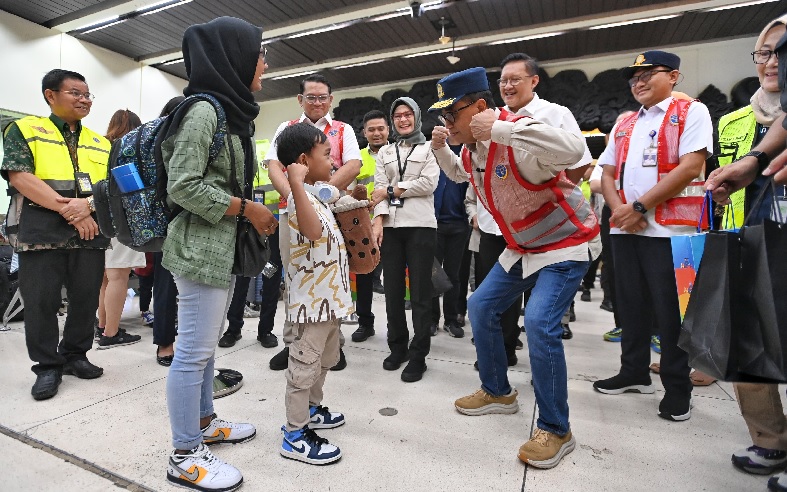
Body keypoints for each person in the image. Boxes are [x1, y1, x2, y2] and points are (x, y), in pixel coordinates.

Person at [430, 67, 597, 469]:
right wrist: (440, 149)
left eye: (452, 115)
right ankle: (498, 391)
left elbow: (574, 150)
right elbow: (462, 175)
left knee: (539, 323)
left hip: (566, 244)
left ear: (481, 108)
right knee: (481, 306)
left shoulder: (517, 131)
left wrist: (503, 126)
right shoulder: (473, 152)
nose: (448, 123)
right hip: (524, 248)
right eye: (444, 117)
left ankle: (557, 430)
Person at [162, 17, 277, 492]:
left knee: (204, 350)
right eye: (258, 54)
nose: (264, 64)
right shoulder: (202, 111)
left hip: (220, 250)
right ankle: (185, 453)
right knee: (190, 354)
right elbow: (183, 186)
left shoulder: (230, 112)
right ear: (233, 58)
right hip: (197, 251)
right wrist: (247, 207)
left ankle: (206, 422)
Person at [594, 50, 713, 423]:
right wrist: (620, 212)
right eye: (634, 78)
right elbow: (608, 172)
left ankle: (678, 390)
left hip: (671, 232)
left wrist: (640, 208)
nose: (639, 82)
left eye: (648, 74)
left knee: (671, 313)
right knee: (629, 305)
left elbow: (692, 165)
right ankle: (633, 372)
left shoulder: (691, 111)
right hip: (626, 228)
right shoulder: (626, 122)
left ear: (673, 76)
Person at [706, 15, 787, 492]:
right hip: (750, 231)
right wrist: (746, 166)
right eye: (765, 53)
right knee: (750, 337)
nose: (773, 61)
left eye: (782, 52)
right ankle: (770, 437)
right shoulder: (738, 117)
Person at [2, 68, 110, 401]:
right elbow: (20, 177)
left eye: (88, 94)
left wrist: (87, 207)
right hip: (40, 233)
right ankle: (48, 366)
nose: (84, 99)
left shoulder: (100, 142)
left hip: (89, 234)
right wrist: (70, 211)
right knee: (41, 303)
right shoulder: (24, 130)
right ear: (51, 95)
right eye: (75, 93)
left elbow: (109, 186)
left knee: (84, 300)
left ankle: (76, 355)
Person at [266, 74, 361, 372]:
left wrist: (321, 194)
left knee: (332, 275)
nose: (317, 102)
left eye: (322, 97)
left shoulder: (343, 130)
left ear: (331, 100)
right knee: (294, 275)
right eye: (311, 97)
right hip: (291, 214)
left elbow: (354, 165)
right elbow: (273, 166)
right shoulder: (287, 129)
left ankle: (334, 344)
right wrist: (299, 196)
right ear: (300, 100)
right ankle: (293, 343)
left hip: (333, 214)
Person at [275, 122, 352, 465]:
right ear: (305, 160)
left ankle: (311, 409)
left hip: (330, 303)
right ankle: (294, 433)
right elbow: (311, 229)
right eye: (326, 154)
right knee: (304, 366)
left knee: (324, 361)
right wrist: (293, 181)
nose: (333, 160)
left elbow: (337, 195)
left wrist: (363, 195)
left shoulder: (318, 192)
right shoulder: (297, 199)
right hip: (311, 306)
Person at [370, 97, 439, 383]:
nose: (403, 119)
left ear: (417, 116)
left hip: (421, 225)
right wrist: (379, 218)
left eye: (408, 114)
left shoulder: (430, 148)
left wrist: (392, 190)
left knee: (421, 293)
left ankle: (419, 353)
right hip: (392, 228)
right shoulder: (385, 151)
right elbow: (376, 190)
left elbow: (429, 183)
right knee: (393, 291)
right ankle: (397, 347)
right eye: (398, 115)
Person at [96, 109, 145, 349]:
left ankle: (103, 325)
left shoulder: (100, 147)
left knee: (106, 277)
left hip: (99, 219)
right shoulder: (126, 152)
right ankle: (111, 334)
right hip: (122, 221)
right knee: (119, 276)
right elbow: (132, 189)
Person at [351, 109, 389, 343]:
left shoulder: (398, 153)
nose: (376, 133)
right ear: (364, 132)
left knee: (393, 276)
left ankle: (397, 325)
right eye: (371, 129)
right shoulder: (357, 159)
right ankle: (365, 322)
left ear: (388, 130)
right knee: (364, 275)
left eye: (380, 129)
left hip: (394, 222)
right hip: (364, 224)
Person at [431, 145, 469, 338]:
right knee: (434, 274)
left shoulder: (462, 158)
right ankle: (432, 320)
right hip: (434, 225)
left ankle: (451, 320)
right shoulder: (430, 157)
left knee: (454, 275)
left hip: (459, 226)